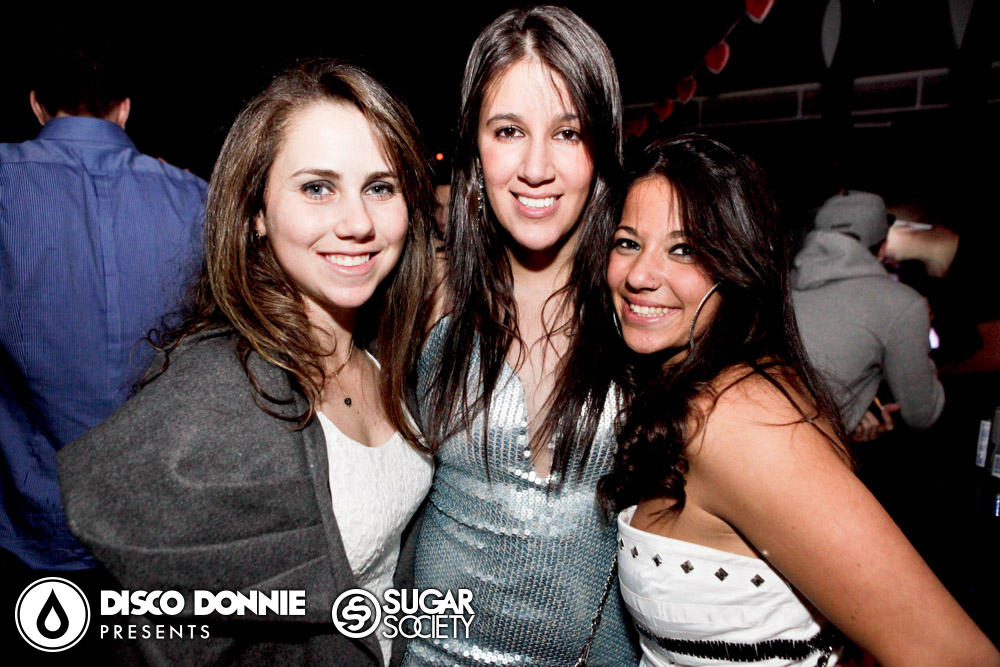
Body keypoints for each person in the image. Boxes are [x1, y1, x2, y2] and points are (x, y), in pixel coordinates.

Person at [59, 59, 437, 665]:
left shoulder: (385, 353)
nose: (358, 222)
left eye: (380, 187)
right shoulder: (218, 391)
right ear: (256, 212)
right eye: (317, 188)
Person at [599, 135, 999, 666]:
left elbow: (954, 656)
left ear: (736, 264)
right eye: (628, 242)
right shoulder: (693, 390)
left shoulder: (739, 419)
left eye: (684, 249)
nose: (638, 276)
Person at [404, 6, 637, 665]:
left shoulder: (642, 311)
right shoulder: (426, 300)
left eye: (568, 132)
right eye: (509, 130)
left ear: (602, 146)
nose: (536, 167)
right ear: (475, 147)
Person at [0, 47, 206, 588]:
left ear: (36, 106)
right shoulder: (197, 198)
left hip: (35, 522)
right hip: (158, 517)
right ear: (125, 109)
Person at [792, 191, 944, 442]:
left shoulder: (775, 288)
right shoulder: (902, 304)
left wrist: (852, 410)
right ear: (882, 248)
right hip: (810, 453)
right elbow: (922, 414)